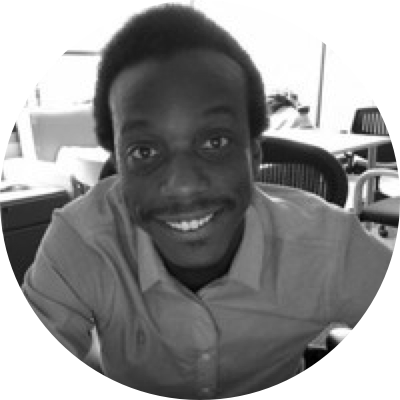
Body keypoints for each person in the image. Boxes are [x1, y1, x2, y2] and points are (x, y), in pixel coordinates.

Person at [21, 4, 392, 398]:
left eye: (215, 142)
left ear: (254, 156)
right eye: (144, 152)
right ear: (119, 167)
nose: (181, 186)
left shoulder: (329, 247)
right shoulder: (81, 242)